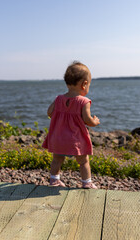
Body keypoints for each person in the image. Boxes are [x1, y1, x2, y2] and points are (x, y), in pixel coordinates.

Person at [42, 61, 100, 189]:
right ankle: (86, 183)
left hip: (59, 137)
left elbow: (49, 112)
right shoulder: (84, 101)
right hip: (75, 140)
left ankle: (54, 180)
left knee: (56, 160)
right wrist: (94, 121)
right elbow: (87, 120)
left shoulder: (58, 99)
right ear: (84, 84)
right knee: (83, 161)